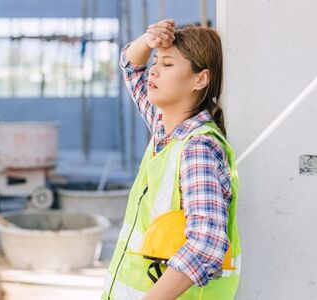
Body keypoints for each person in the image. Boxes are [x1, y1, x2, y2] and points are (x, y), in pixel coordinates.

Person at [101, 19, 241, 300]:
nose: (153, 70)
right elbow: (131, 67)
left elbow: (206, 243)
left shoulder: (197, 148)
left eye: (167, 65)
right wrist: (149, 39)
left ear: (200, 79)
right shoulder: (165, 128)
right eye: (155, 62)